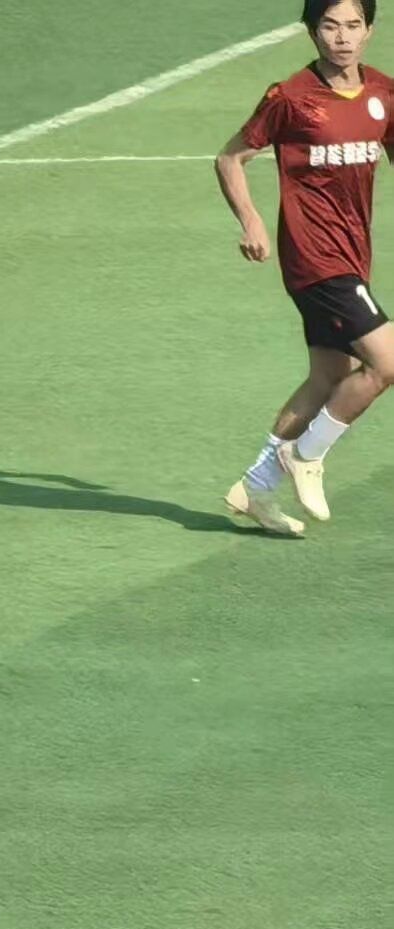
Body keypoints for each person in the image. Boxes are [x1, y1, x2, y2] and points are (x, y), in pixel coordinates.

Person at [219, 0, 394, 534]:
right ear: (312, 31)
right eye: (330, 25)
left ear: (369, 30)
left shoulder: (384, 93)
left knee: (328, 375)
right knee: (387, 362)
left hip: (352, 254)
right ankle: (306, 455)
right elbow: (230, 158)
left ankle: (255, 488)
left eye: (353, 25)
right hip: (313, 256)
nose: (342, 37)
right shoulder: (290, 97)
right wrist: (251, 221)